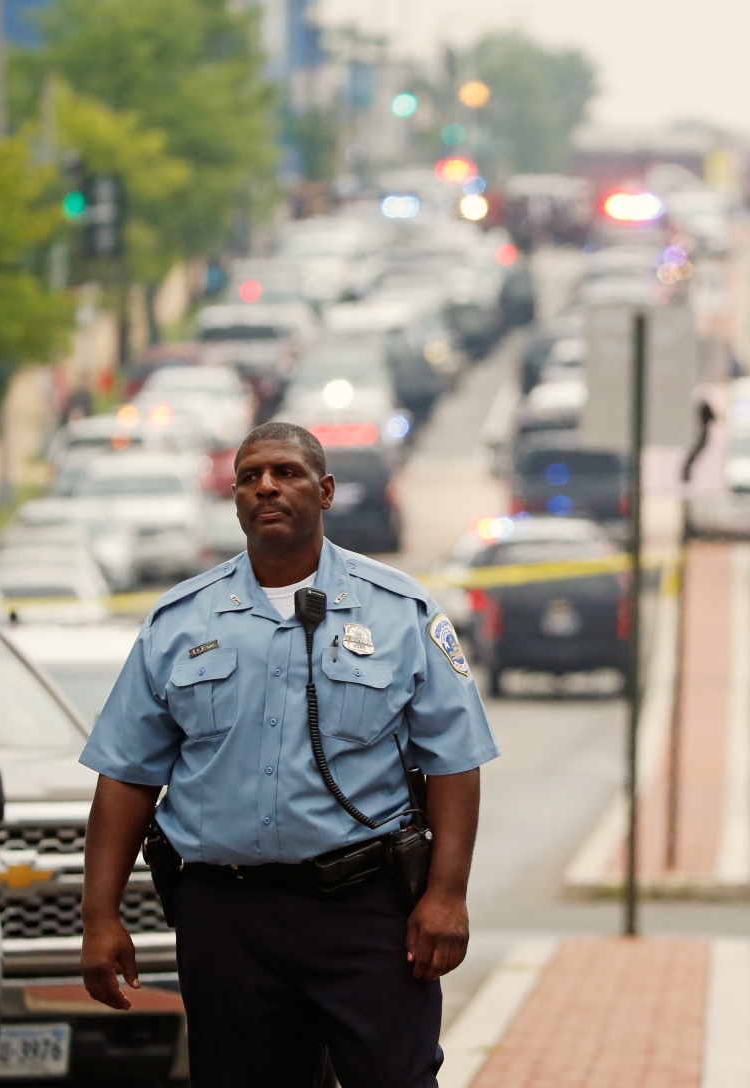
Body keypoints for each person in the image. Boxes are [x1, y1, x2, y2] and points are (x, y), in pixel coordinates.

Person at [79, 422, 498, 1088]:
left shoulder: (398, 612)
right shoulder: (179, 621)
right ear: (235, 498)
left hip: (364, 911)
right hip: (225, 915)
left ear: (326, 491)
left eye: (287, 473)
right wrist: (99, 917)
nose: (266, 487)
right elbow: (126, 778)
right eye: (250, 477)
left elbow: (454, 761)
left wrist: (446, 897)